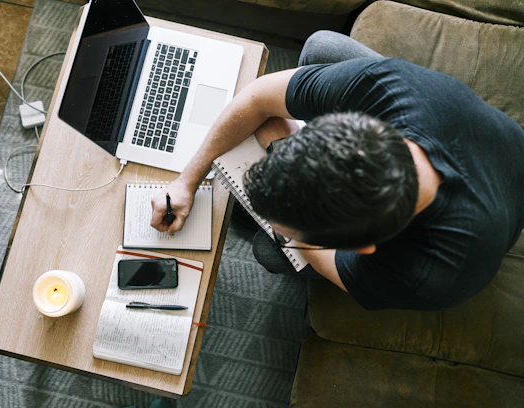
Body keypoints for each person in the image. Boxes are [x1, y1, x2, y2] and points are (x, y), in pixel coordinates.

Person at [150, 31, 524, 311]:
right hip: (494, 153)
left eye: (295, 235)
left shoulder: (424, 275)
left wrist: (276, 142)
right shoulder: (391, 88)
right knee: (321, 48)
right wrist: (187, 180)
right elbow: (259, 96)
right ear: (347, 124)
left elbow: (335, 267)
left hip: (495, 223)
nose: (284, 233)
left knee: (269, 250)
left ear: (362, 248)